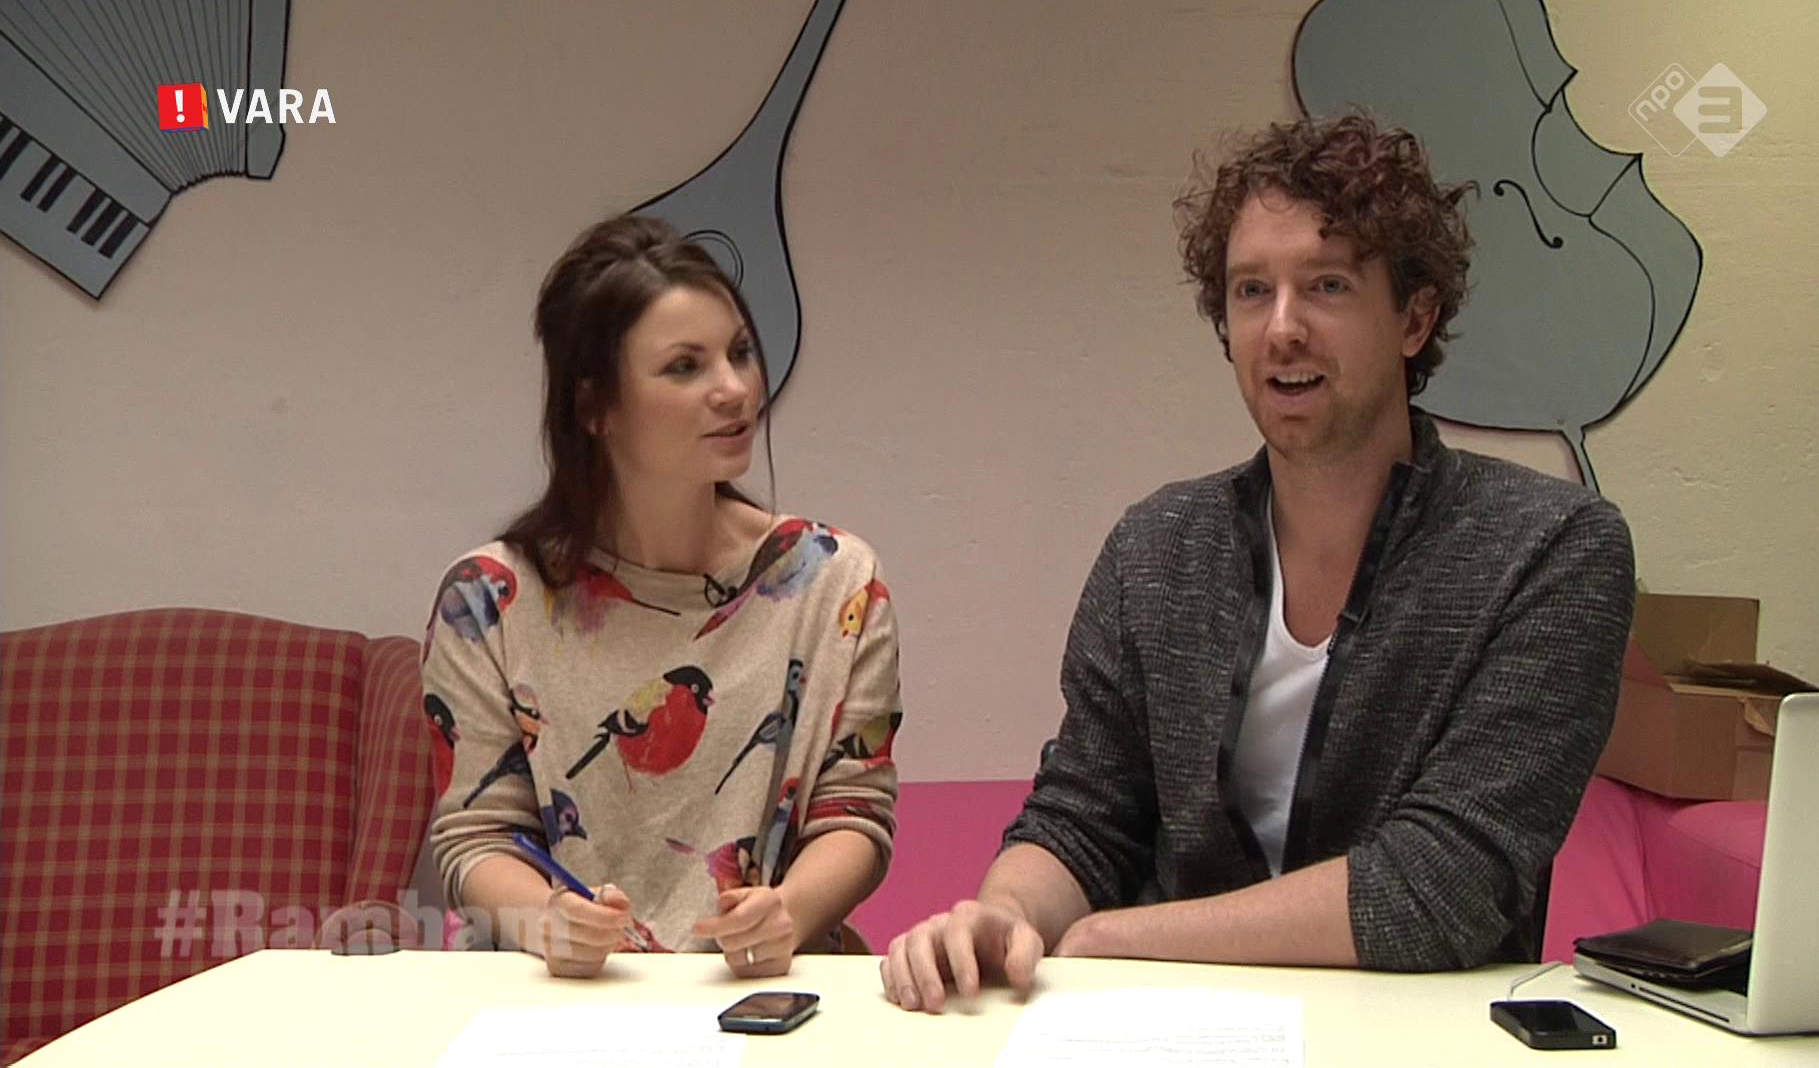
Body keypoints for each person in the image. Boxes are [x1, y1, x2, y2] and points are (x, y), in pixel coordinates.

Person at [881, 112, 1636, 1011]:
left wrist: (1116, 938)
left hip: (1420, 1033)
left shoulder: (1549, 548)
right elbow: (1086, 816)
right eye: (1251, 291)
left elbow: (1446, 884)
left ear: (1415, 317)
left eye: (1327, 285)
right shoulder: (1157, 549)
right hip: (1172, 1030)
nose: (1282, 328)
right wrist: (1004, 915)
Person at [425, 213, 902, 979]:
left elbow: (857, 811)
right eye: (684, 367)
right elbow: (476, 836)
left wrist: (790, 911)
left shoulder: (834, 580)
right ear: (594, 407)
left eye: (739, 353)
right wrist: (546, 921)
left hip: (766, 993)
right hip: (559, 1001)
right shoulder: (489, 600)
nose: (734, 389)